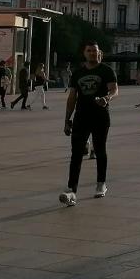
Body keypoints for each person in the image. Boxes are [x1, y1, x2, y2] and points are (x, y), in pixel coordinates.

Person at [59, 42, 119, 207]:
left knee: (100, 150)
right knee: (76, 153)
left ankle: (101, 183)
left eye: (95, 51)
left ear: (99, 53)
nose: (93, 53)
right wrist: (66, 120)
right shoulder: (78, 73)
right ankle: (71, 189)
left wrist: (106, 98)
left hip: (100, 116)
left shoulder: (106, 70)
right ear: (84, 53)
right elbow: (72, 97)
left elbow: (114, 90)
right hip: (81, 117)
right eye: (89, 51)